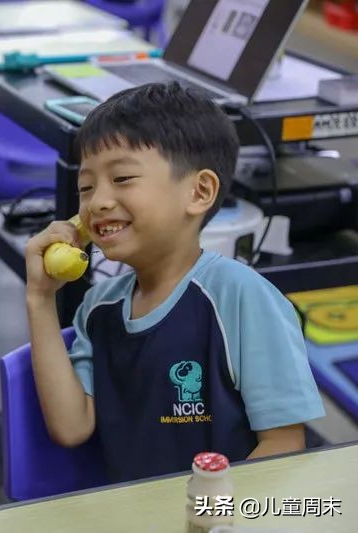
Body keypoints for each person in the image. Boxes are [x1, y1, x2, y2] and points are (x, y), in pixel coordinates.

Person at [24, 82, 324, 483]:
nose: (97, 202)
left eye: (123, 177)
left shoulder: (240, 296)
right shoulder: (98, 308)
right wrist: (40, 299)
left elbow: (283, 444)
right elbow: (71, 426)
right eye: (86, 186)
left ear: (199, 192)